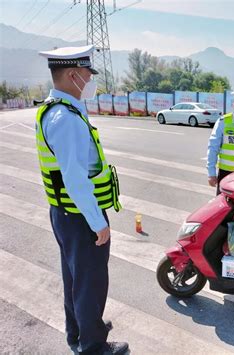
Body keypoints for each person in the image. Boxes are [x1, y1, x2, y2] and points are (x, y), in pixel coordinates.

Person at [36, 45, 128, 355]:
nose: (92, 80)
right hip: (79, 215)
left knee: (75, 275)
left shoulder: (58, 109)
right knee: (90, 280)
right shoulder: (66, 119)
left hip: (66, 213)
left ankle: (80, 331)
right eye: (89, 74)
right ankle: (93, 346)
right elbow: (75, 180)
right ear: (74, 75)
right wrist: (98, 222)